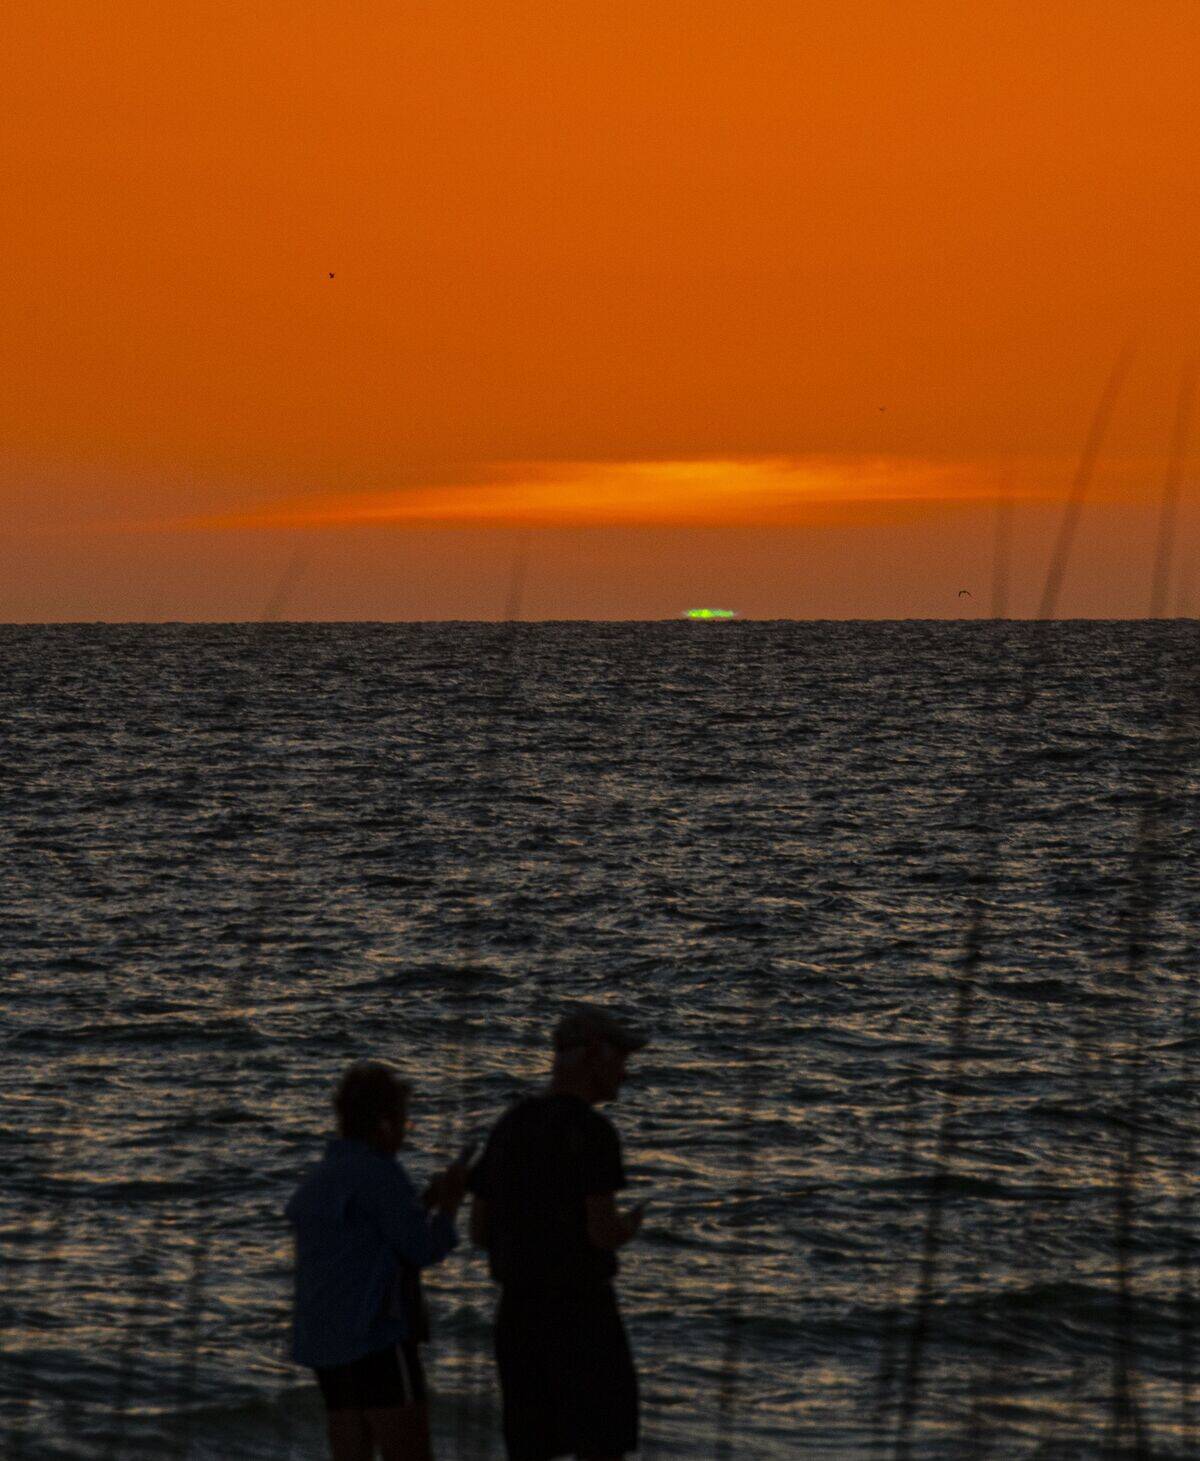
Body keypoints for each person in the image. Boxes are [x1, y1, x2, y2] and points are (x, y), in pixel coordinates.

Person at [468, 1004, 649, 1461]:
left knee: (530, 1446)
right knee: (601, 1444)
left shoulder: (511, 1125)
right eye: (621, 1060)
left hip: (518, 1315)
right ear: (594, 1055)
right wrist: (630, 1226)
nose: (625, 1073)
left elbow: (478, 1230)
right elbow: (601, 1233)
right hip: (581, 1314)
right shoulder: (592, 1132)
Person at [287, 1062, 469, 1461]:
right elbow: (423, 1249)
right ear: (384, 1125)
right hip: (376, 1342)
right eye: (405, 1120)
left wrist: (423, 1204)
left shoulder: (321, 1176)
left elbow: (363, 1242)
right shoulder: (381, 1174)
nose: (407, 1130)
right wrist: (451, 1207)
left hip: (326, 1344)